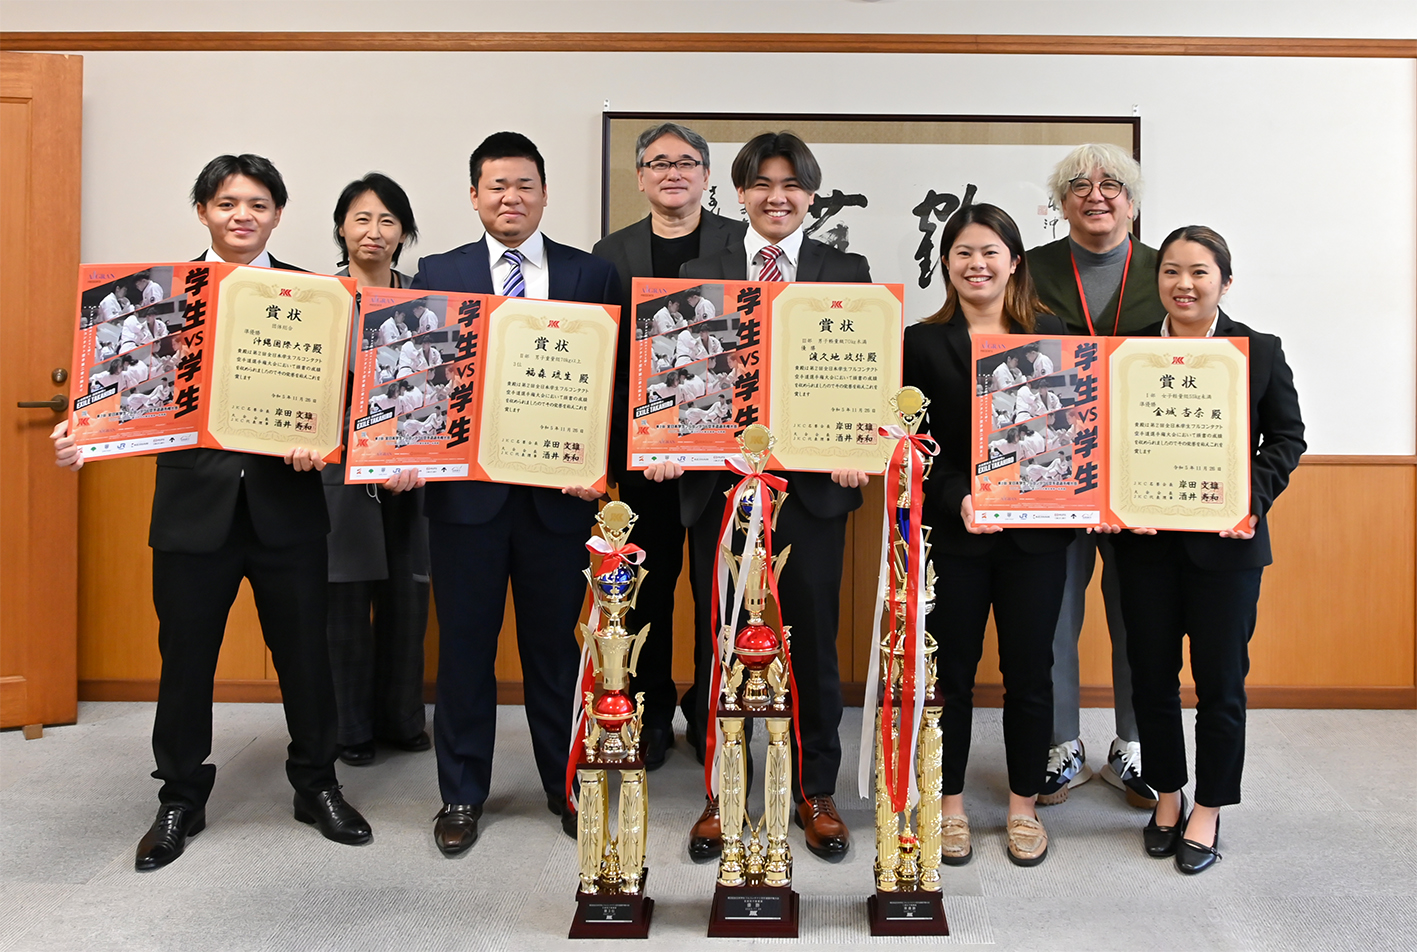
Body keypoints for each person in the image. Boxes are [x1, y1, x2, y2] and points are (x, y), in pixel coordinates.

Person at [50, 153, 371, 873]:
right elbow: (121, 395)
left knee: (305, 661)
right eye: (227, 203)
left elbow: (345, 401)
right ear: (204, 212)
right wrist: (82, 435)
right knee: (185, 661)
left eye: (258, 203)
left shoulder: (315, 297)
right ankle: (181, 797)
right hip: (195, 512)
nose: (242, 215)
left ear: (277, 215)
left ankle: (316, 784)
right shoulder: (157, 299)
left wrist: (322, 443)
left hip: (287, 510)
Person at [653, 131, 871, 861]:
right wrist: (664, 445)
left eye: (791, 184)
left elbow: (860, 373)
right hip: (720, 487)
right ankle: (723, 792)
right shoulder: (699, 269)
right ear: (737, 192)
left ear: (810, 194)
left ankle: (815, 790)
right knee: (722, 641)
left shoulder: (846, 268)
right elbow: (678, 377)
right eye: (761, 183)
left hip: (810, 492)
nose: (776, 197)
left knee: (808, 641)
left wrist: (855, 448)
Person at [411, 131, 617, 857]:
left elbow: (613, 387)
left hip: (556, 501)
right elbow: (420, 381)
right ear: (473, 195)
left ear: (544, 192)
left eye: (524, 184)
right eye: (496, 186)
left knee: (554, 653)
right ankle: (461, 794)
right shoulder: (437, 271)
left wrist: (597, 466)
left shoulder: (590, 275)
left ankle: (565, 786)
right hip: (465, 501)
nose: (510, 198)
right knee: (464, 650)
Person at [1111, 226, 1304, 873]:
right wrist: (1114, 503)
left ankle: (1208, 808)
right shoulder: (1126, 351)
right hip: (1144, 547)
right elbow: (1103, 440)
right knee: (1152, 680)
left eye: (1198, 272)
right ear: (1156, 279)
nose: (1183, 284)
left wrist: (1248, 498)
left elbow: (1286, 438)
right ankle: (1167, 796)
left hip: (1226, 550)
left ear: (1224, 279)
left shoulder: (1257, 350)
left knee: (1220, 684)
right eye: (1170, 271)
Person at [902, 203, 1073, 867]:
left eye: (989, 252)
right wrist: (956, 497)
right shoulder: (921, 342)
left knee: (1029, 673)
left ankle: (1022, 803)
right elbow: (917, 446)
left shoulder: (1052, 336)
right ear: (946, 264)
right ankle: (948, 804)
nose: (977, 264)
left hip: (1036, 539)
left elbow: (1069, 431)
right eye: (963, 253)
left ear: (1013, 261)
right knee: (951, 674)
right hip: (958, 533)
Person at [592, 122, 748, 771]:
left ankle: (713, 711)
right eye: (657, 163)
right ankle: (653, 711)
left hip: (722, 459)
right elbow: (604, 352)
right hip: (643, 457)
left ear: (707, 176)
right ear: (639, 177)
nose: (672, 172)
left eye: (686, 162)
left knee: (720, 593)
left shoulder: (740, 244)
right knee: (648, 592)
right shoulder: (610, 251)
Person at [1027, 143, 1166, 807]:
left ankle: (1134, 744)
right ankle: (1060, 742)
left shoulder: (1164, 268)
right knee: (1054, 602)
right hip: (1051, 461)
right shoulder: (1028, 268)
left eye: (1112, 184)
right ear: (1060, 204)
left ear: (1131, 200)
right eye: (1079, 185)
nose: (1096, 194)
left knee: (1138, 607)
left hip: (1141, 461)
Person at [322, 172, 432, 769]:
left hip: (412, 471)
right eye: (361, 219)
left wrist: (412, 454)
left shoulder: (425, 296)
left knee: (407, 597)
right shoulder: (318, 297)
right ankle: (351, 728)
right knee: (343, 599)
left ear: (404, 232)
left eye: (388, 220)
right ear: (341, 227)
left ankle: (404, 717)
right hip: (335, 469)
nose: (374, 231)